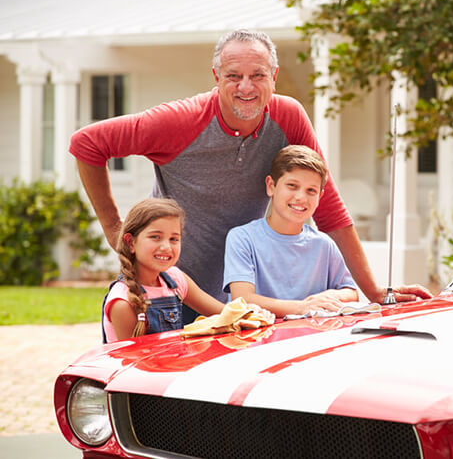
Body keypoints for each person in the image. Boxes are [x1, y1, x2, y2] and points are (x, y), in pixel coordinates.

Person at [70, 29, 432, 324]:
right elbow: (86, 144)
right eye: (234, 76)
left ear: (273, 77)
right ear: (216, 78)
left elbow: (330, 207)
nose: (246, 87)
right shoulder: (179, 121)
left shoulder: (287, 116)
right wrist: (116, 231)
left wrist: (373, 291)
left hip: (243, 299)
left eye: (258, 75)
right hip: (175, 287)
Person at [223, 145, 358, 317]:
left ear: (320, 197)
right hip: (257, 340)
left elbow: (351, 293)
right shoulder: (242, 238)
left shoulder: (324, 245)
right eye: (292, 185)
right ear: (271, 186)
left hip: (310, 337)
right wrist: (303, 307)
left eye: (311, 190)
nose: (301, 197)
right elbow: (243, 299)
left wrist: (329, 296)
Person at [102, 198, 227, 342]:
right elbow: (134, 361)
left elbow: (223, 313)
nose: (166, 247)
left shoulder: (175, 278)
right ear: (131, 242)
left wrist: (252, 312)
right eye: (155, 237)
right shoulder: (123, 302)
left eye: (174, 239)